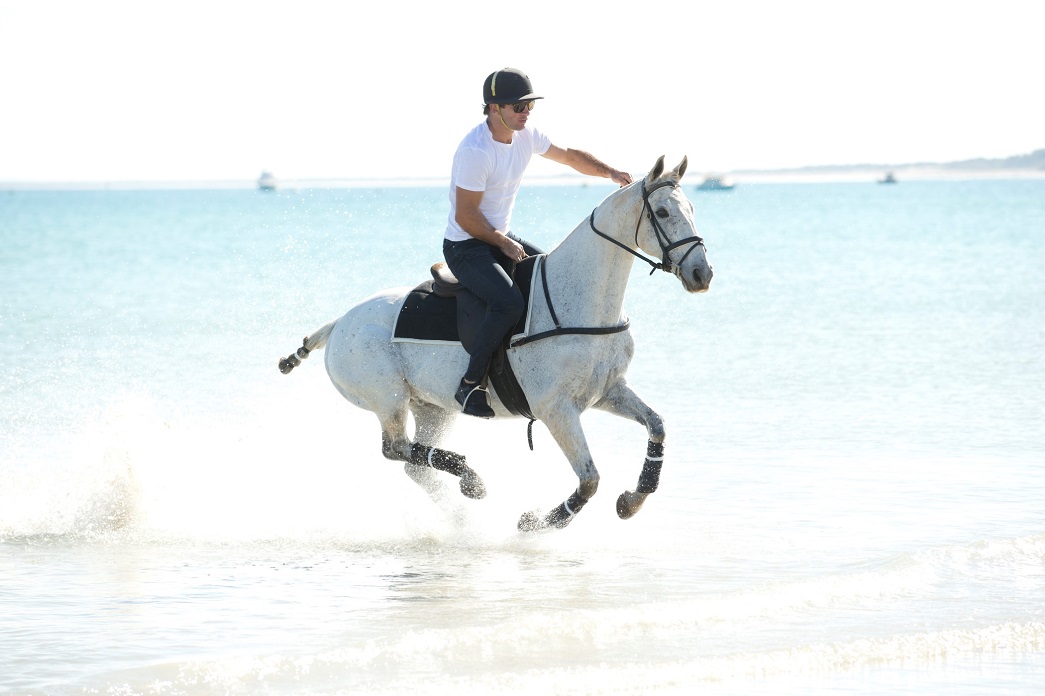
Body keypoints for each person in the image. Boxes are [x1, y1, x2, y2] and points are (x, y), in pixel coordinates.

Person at [443, 67, 634, 418]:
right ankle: (469, 385)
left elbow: (570, 156)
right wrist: (502, 242)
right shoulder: (475, 151)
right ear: (494, 108)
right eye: (518, 106)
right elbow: (466, 218)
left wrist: (609, 172)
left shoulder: (526, 135)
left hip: (497, 237)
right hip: (466, 246)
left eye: (530, 106)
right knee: (508, 303)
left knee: (552, 275)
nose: (526, 112)